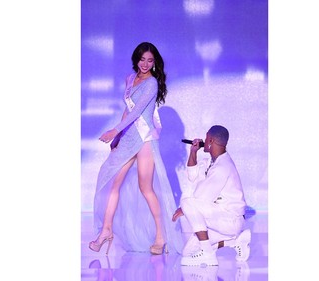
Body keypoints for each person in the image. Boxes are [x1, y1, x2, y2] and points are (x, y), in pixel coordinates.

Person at [89, 42, 183, 255]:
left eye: (150, 61)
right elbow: (127, 110)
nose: (145, 64)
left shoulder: (151, 84)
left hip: (145, 138)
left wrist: (114, 130)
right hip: (129, 136)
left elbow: (137, 113)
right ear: (136, 59)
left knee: (145, 188)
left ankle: (161, 236)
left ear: (154, 62)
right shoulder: (130, 79)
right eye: (142, 59)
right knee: (113, 182)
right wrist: (119, 137)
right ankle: (106, 231)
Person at [172, 125, 251, 266]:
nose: (204, 139)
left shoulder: (222, 167)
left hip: (229, 220)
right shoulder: (212, 161)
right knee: (188, 252)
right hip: (218, 218)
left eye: (206, 137)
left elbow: (200, 198)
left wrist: (184, 209)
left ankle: (208, 255)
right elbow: (192, 176)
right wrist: (193, 152)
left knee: (188, 203)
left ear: (211, 141)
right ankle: (234, 241)